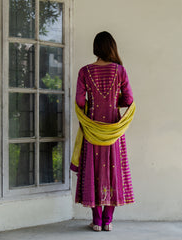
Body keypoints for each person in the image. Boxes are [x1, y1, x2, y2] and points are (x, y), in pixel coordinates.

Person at [70, 31, 135, 232]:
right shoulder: (120, 71)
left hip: (92, 128)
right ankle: (108, 221)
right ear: (112, 48)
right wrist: (114, 102)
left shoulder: (85, 71)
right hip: (114, 130)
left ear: (96, 48)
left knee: (94, 170)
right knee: (113, 169)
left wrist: (92, 105)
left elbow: (80, 102)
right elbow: (129, 100)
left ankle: (96, 221)